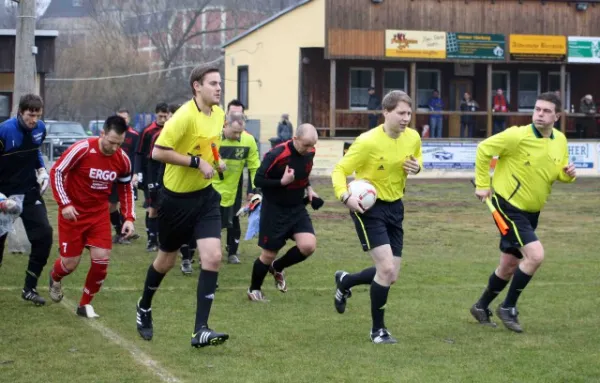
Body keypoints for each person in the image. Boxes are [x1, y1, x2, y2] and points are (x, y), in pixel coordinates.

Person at [135, 65, 229, 348]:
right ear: (196, 87)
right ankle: (144, 305)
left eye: (220, 83)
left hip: (205, 198)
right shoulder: (183, 117)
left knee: (212, 257)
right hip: (175, 201)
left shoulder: (219, 114)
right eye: (213, 83)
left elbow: (209, 145)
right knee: (166, 261)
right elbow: (157, 152)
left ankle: (200, 329)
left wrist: (215, 159)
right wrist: (195, 162)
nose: (219, 88)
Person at [469, 92, 576, 333]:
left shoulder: (560, 140)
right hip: (508, 207)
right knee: (535, 256)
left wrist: (567, 175)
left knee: (508, 264)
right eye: (537, 109)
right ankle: (508, 307)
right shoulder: (517, 135)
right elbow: (483, 149)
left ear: (557, 116)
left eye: (546, 111)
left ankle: (481, 306)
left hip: (532, 212)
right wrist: (482, 183)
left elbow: (557, 173)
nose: (540, 114)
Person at [331, 90, 422, 344]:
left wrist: (417, 167)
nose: (406, 118)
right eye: (401, 113)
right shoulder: (367, 142)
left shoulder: (412, 137)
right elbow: (340, 170)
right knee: (385, 268)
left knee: (391, 275)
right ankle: (377, 331)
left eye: (409, 113)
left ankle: (345, 281)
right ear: (386, 112)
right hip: (368, 209)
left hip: (396, 207)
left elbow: (417, 158)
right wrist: (344, 195)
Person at [48, 116, 135, 317]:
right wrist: (65, 204)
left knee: (101, 259)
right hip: (73, 215)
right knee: (70, 263)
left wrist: (129, 217)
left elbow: (126, 188)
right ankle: (55, 277)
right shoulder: (82, 149)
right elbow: (57, 172)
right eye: (111, 142)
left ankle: (85, 304)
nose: (114, 148)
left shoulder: (122, 159)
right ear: (102, 133)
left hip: (98, 215)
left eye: (119, 144)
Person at [246, 123, 320, 302]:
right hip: (274, 209)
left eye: (313, 145)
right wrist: (282, 182)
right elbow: (258, 180)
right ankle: (254, 290)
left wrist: (310, 190)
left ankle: (277, 266)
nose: (310, 149)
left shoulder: (310, 151)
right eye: (306, 145)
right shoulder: (277, 154)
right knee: (268, 253)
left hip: (296, 208)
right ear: (295, 139)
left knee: (308, 245)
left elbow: (304, 173)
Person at [0, 94, 53, 305]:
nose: (34, 120)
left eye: (38, 115)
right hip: (4, 194)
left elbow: (34, 152)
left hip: (29, 192)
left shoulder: (40, 129)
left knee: (44, 236)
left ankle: (29, 288)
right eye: (30, 115)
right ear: (20, 112)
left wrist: (41, 169)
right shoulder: (4, 131)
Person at [212, 111, 260, 264]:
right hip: (211, 188)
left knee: (234, 221)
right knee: (211, 224)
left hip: (233, 189)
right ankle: (205, 254)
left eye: (240, 132)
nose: (238, 135)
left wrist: (255, 189)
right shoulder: (213, 136)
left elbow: (254, 166)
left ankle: (232, 252)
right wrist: (216, 161)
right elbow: (201, 154)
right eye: (235, 132)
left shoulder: (248, 140)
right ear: (225, 125)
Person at [135, 103, 169, 252]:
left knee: (165, 207)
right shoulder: (147, 131)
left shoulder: (171, 130)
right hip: (151, 171)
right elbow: (139, 153)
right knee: (152, 207)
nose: (162, 119)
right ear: (156, 115)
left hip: (167, 170)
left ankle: (163, 239)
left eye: (165, 116)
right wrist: (137, 173)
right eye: (160, 116)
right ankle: (151, 240)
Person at [109, 108, 139, 244]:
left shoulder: (134, 135)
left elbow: (137, 155)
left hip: (128, 174)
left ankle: (125, 231)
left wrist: (136, 173)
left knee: (126, 203)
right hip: (113, 175)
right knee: (111, 206)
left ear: (129, 119)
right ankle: (119, 230)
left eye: (125, 118)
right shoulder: (110, 135)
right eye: (119, 118)